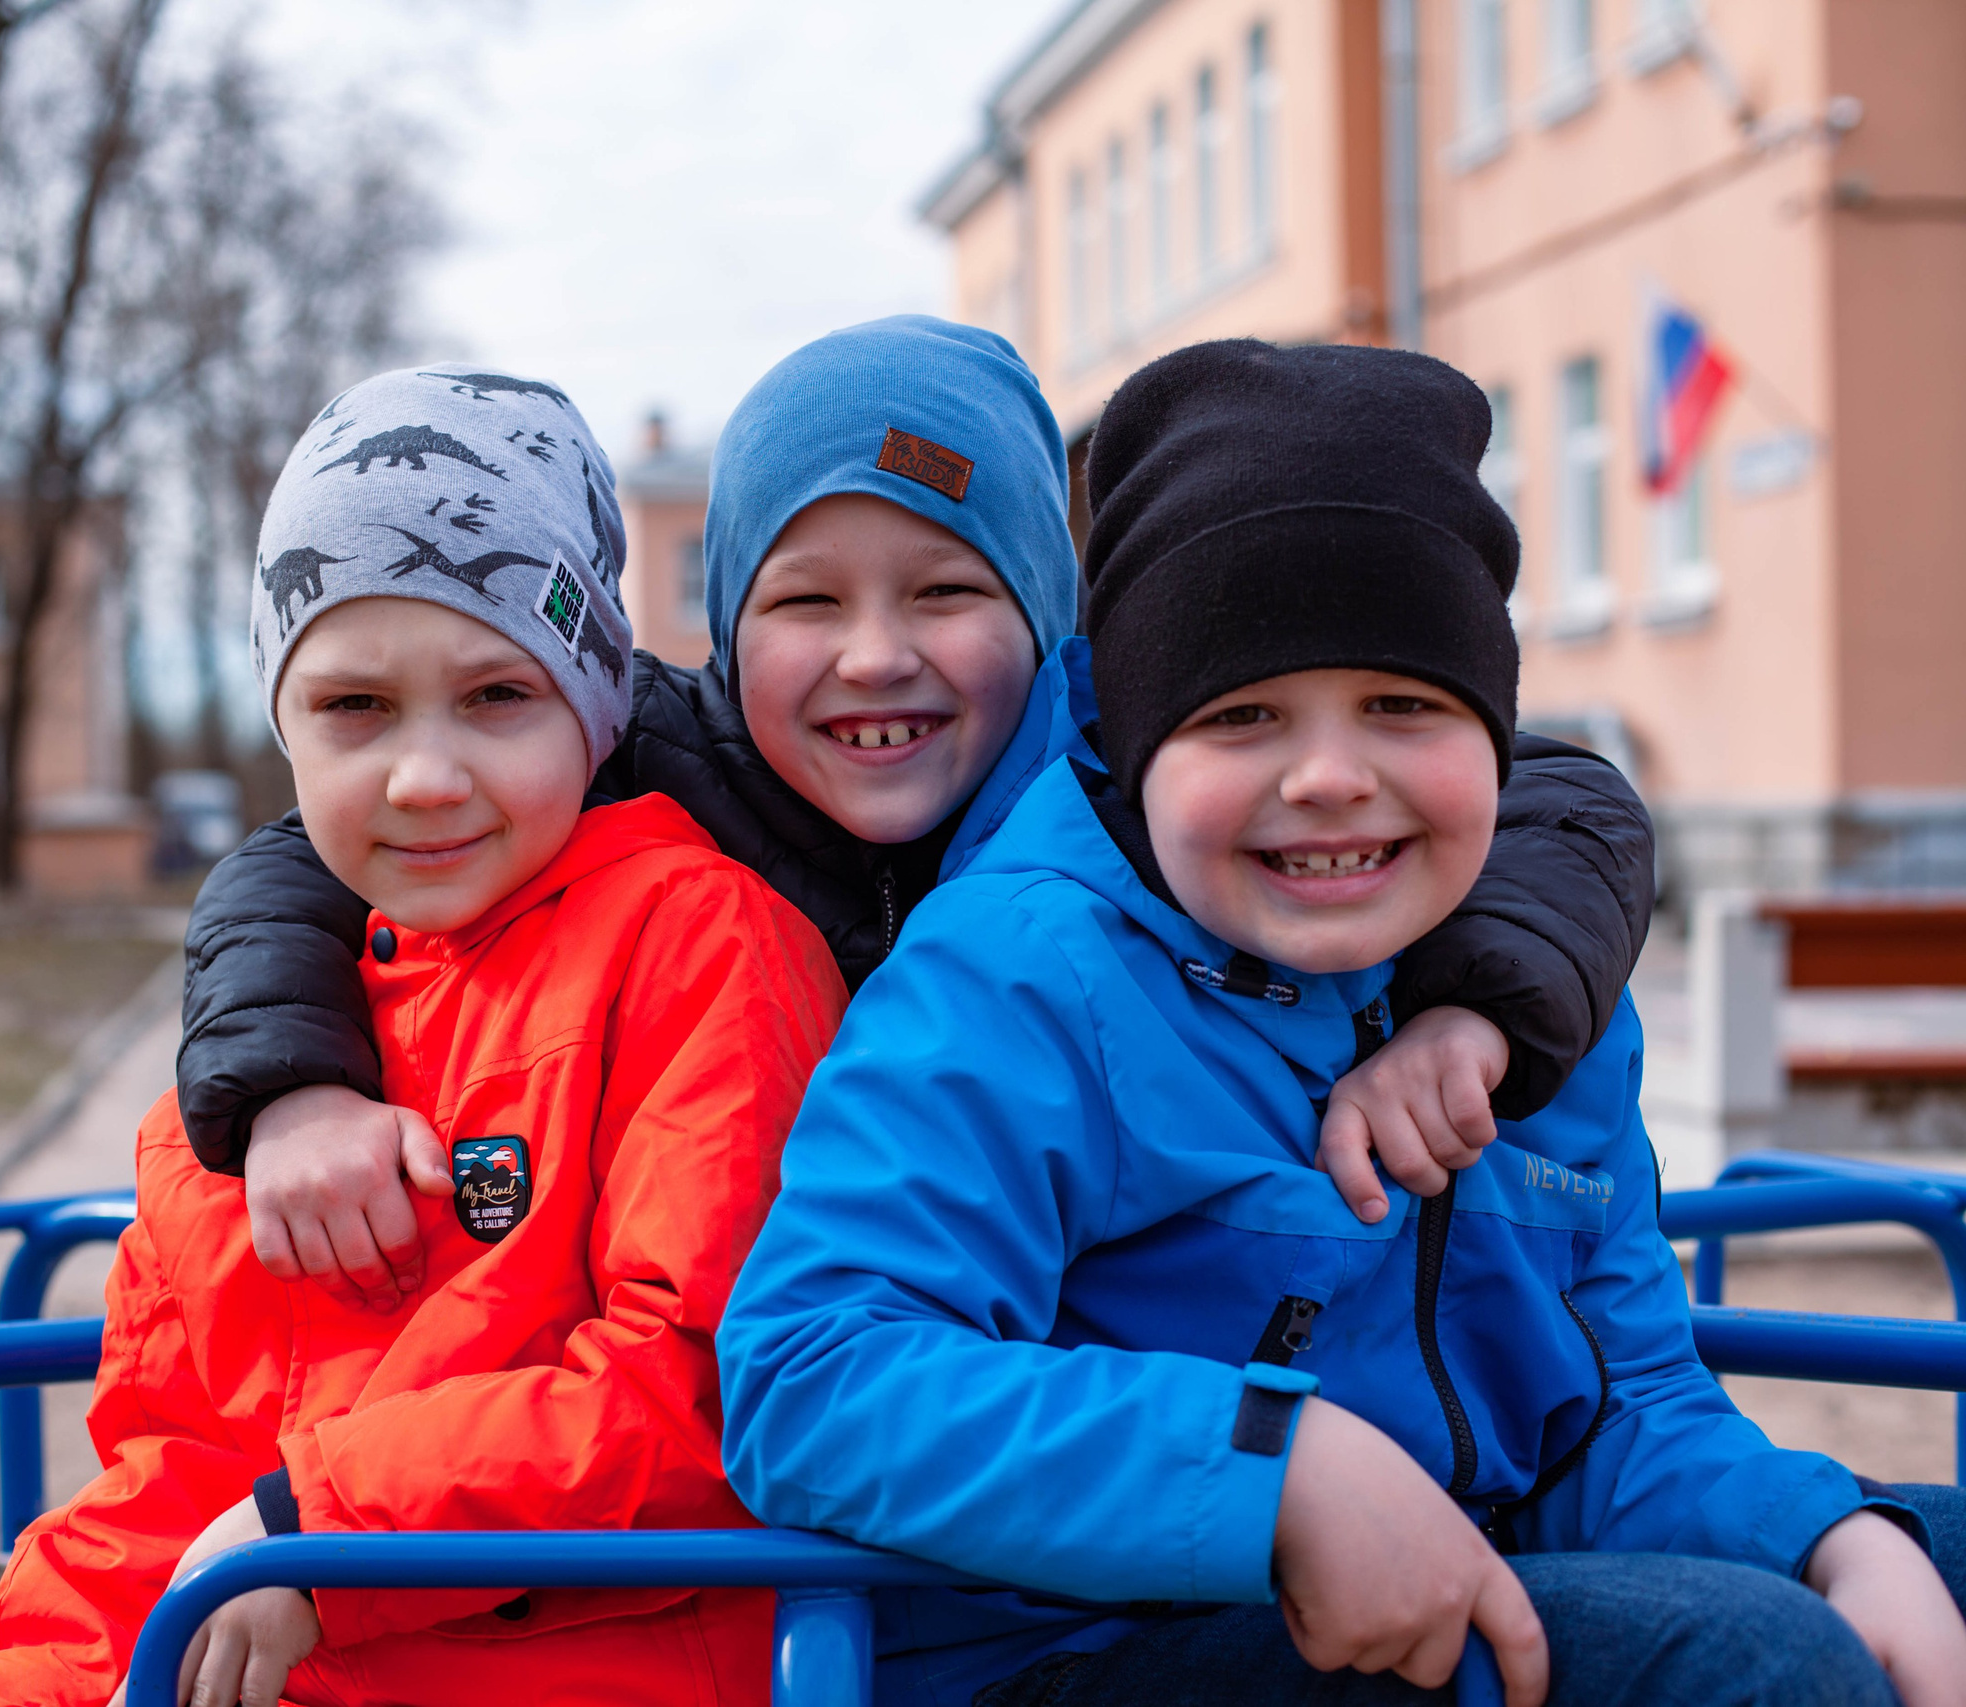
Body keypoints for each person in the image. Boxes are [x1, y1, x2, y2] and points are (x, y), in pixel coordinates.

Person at [715, 340, 1966, 1707]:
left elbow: (1617, 1407)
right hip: (1074, 1641)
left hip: (1450, 1569)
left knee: (1912, 1557)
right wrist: (1271, 1465)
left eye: (1401, 705)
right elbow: (814, 1373)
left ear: (1496, 728)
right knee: (1751, 1661)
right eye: (1242, 715)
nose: (1326, 777)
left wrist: (1825, 1536)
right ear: (1135, 747)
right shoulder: (1029, 975)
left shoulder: (1530, 1002)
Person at [175, 316, 1657, 1314]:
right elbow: (299, 861)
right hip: (770, 1354)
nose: (875, 655)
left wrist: (1480, 1012)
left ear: (1055, 618)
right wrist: (292, 1082)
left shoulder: (1131, 771)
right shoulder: (655, 760)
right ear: (720, 630)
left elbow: (1562, 800)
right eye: (806, 601)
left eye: (948, 592)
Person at [0, 367, 848, 1707]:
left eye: (496, 698)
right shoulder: (237, 1088)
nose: (424, 775)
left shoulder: (696, 951)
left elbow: (695, 1400)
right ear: (284, 727)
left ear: (592, 708)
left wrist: (326, 1536)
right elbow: (165, 1480)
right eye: (355, 709)